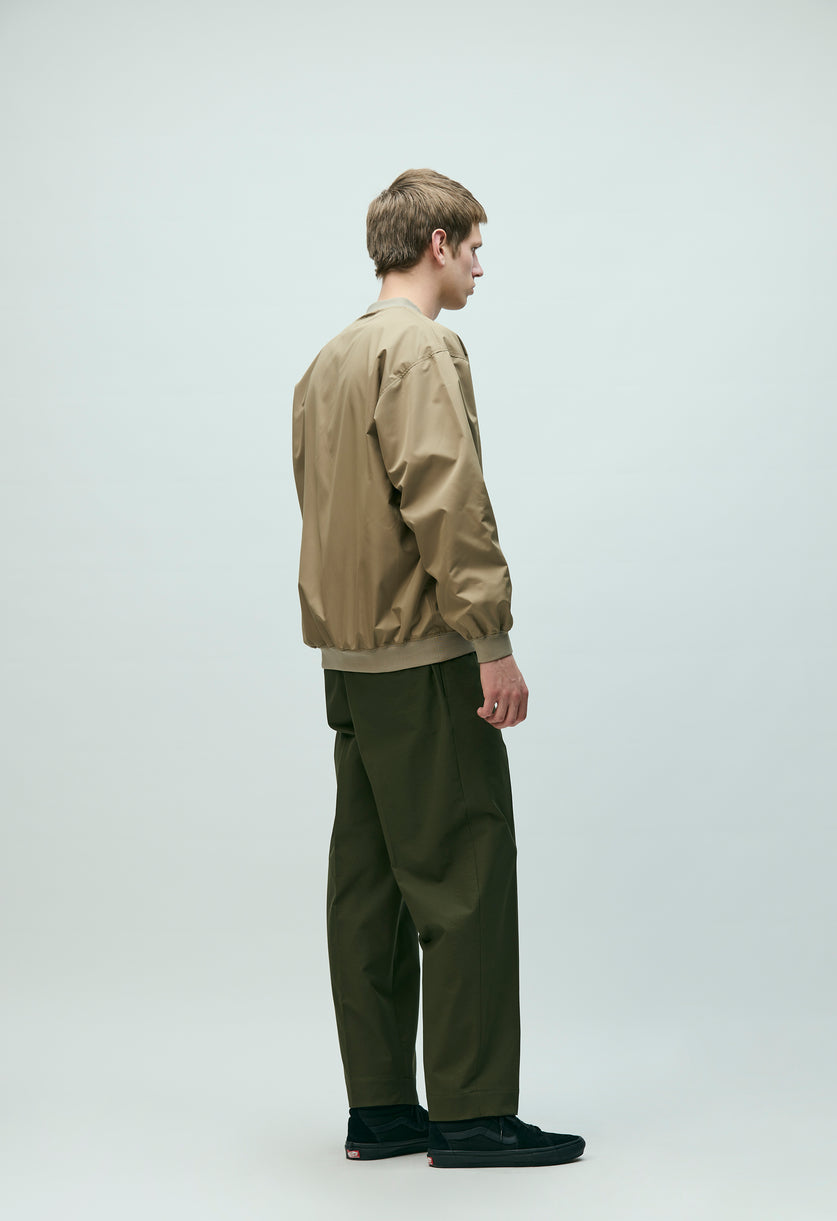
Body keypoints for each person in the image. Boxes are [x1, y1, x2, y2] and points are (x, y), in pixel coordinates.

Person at [291, 169, 584, 1169]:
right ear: (438, 243)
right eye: (475, 248)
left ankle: (381, 1108)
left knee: (369, 886)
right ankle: (472, 1113)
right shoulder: (419, 347)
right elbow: (445, 498)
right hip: (422, 655)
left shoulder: (330, 359)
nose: (479, 268)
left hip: (350, 659)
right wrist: (490, 640)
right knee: (464, 870)